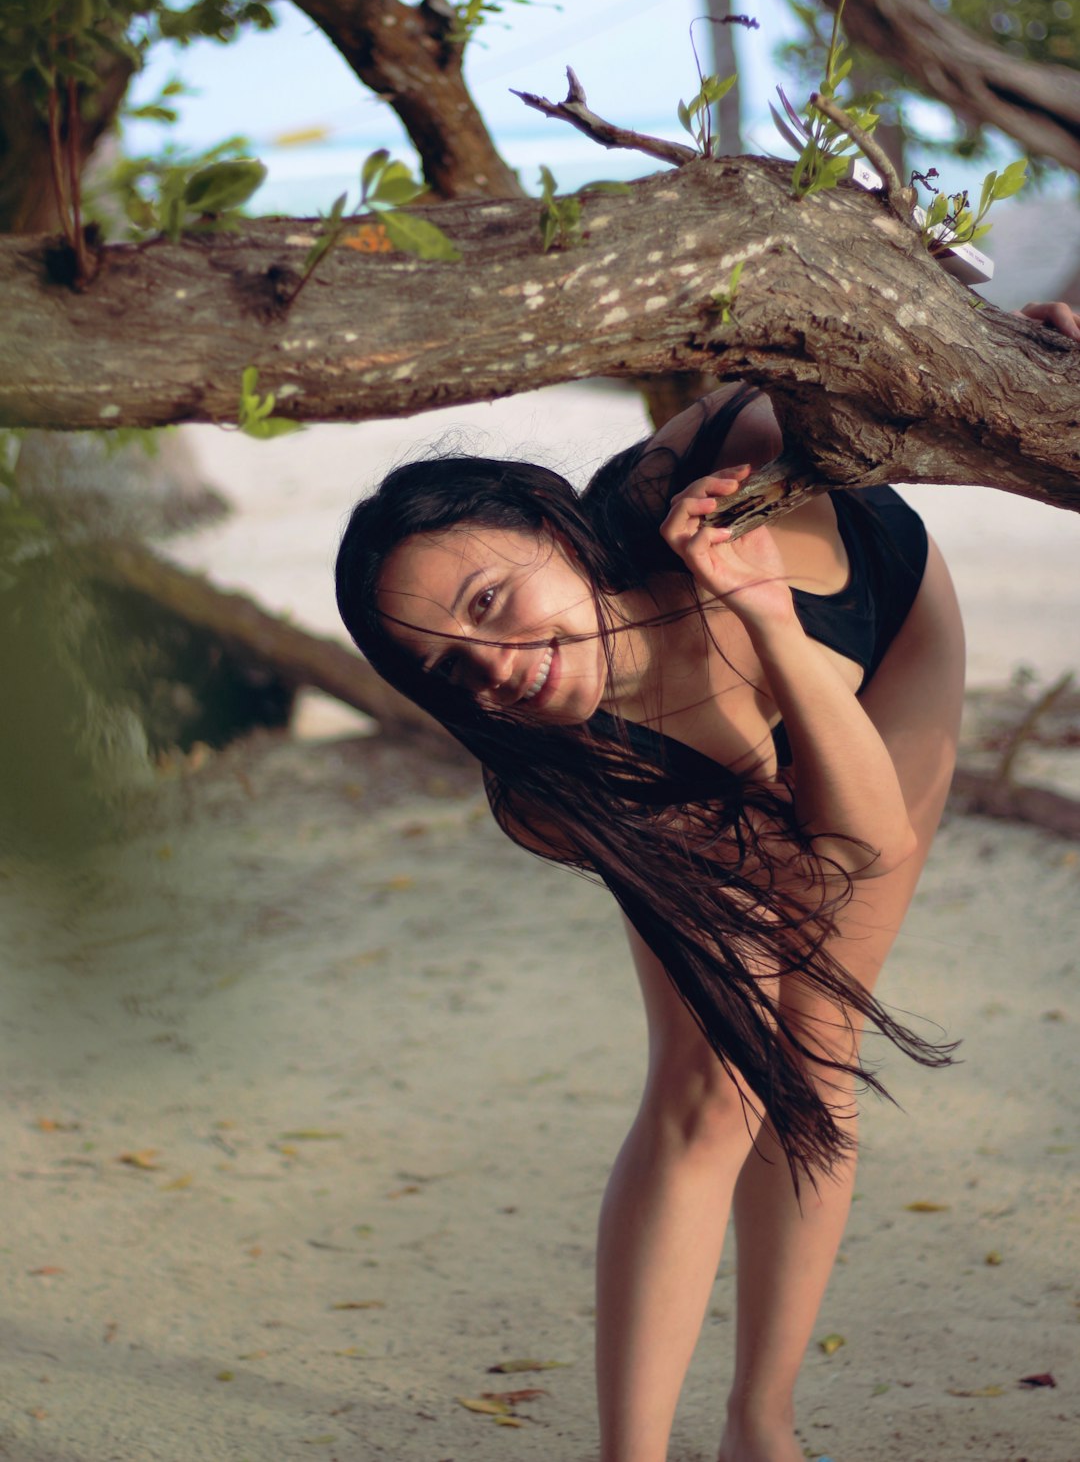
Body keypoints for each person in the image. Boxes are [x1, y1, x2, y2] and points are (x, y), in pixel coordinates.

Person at [333, 307, 1074, 1462]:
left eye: (489, 603)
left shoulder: (704, 463)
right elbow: (800, 867)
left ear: (549, 526)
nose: (494, 670)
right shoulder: (553, 787)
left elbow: (859, 848)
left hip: (883, 629)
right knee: (708, 1083)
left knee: (817, 1044)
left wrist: (1009, 345)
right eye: (449, 667)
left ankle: (759, 1424)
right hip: (710, 771)